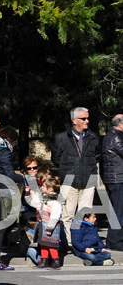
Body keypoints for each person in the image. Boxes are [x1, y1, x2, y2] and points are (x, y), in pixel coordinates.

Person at [51, 106, 99, 240]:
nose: (87, 121)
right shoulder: (62, 138)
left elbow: (98, 155)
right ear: (74, 120)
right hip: (69, 181)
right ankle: (69, 241)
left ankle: (83, 239)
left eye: (88, 118)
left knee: (84, 213)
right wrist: (67, 170)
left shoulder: (93, 137)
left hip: (88, 180)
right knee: (68, 213)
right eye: (83, 118)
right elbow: (56, 158)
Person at [0, 127, 24, 270]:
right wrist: (22, 178)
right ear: (10, 139)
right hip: (2, 190)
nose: (14, 146)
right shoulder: (3, 151)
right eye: (14, 142)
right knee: (0, 226)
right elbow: (9, 174)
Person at [101, 114, 123, 250]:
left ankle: (114, 240)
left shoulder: (113, 135)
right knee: (119, 212)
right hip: (117, 178)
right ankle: (115, 242)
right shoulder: (115, 137)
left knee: (119, 211)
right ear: (120, 124)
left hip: (117, 177)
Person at [36, 175, 64, 269]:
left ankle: (56, 261)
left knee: (51, 245)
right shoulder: (44, 200)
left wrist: (50, 228)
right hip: (44, 224)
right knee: (43, 244)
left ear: (50, 189)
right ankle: (44, 261)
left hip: (51, 227)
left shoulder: (55, 203)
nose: (41, 188)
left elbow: (55, 217)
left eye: (44, 186)